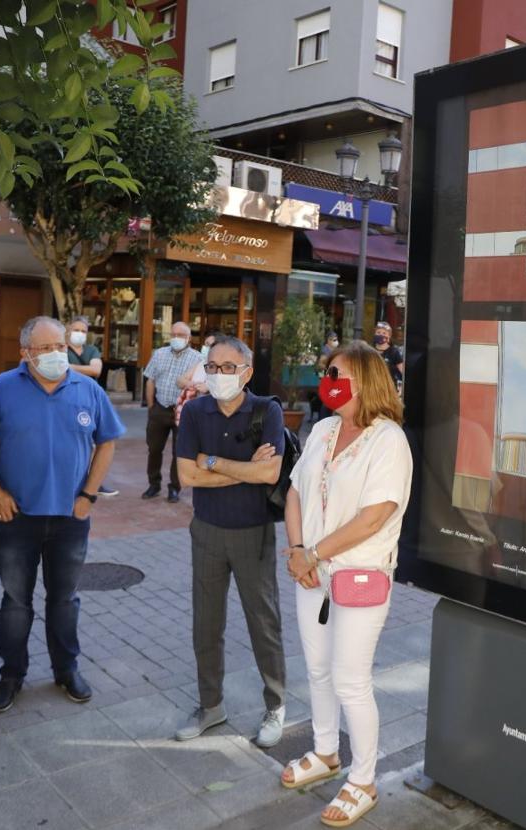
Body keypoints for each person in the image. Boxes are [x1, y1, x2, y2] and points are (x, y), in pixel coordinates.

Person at [280, 341, 413, 828]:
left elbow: (375, 516)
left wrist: (314, 553)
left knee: (350, 680)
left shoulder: (388, 440)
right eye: (327, 372)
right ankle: (325, 752)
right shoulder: (323, 429)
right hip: (311, 572)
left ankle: (363, 780)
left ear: (367, 381)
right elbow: (295, 491)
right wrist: (298, 550)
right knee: (317, 670)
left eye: (337, 374)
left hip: (358, 575)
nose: (328, 381)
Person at [0, 316, 125, 713]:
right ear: (25, 353)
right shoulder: (1, 389)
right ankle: (11, 674)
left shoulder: (87, 389)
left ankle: (66, 668)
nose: (57, 354)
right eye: (46, 348)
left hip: (70, 519)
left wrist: (88, 495)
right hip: (16, 519)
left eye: (61, 346)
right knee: (15, 603)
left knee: (65, 600)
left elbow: (107, 442)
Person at [173, 337, 288, 748]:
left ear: (247, 373)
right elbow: (187, 476)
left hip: (253, 532)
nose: (219, 374)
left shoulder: (266, 411)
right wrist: (242, 469)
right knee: (206, 625)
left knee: (263, 623)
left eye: (228, 367)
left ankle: (276, 705)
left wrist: (212, 462)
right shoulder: (195, 412)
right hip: (206, 530)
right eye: (212, 366)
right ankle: (211, 705)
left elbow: (269, 474)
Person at [142, 322, 203, 502]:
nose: (176, 338)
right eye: (173, 334)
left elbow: (200, 386)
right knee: (154, 449)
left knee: (179, 451)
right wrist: (151, 406)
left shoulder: (198, 359)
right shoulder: (159, 354)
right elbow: (150, 380)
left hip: (183, 412)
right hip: (160, 408)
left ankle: (174, 488)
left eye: (181, 335)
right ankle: (154, 484)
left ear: (188, 338)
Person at [66, 316, 118, 497]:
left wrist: (70, 367)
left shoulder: (91, 350)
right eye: (76, 330)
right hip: (67, 400)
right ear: (68, 330)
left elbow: (96, 370)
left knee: (94, 442)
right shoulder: (62, 348)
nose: (80, 334)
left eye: (83, 331)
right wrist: (83, 369)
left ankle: (93, 482)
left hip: (89, 401)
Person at [372, 322, 404, 389]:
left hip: (389, 388)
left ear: (389, 336)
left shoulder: (394, 352)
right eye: (378, 332)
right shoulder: (370, 351)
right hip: (372, 387)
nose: (381, 335)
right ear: (374, 334)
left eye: (384, 333)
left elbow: (403, 371)